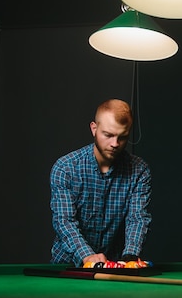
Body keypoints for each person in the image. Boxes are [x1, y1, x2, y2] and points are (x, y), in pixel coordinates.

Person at [49, 98, 152, 267]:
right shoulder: (65, 168)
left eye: (122, 137)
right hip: (67, 267)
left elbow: (137, 218)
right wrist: (87, 256)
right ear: (94, 129)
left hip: (113, 267)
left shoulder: (140, 170)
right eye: (108, 135)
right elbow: (64, 221)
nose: (115, 144)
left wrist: (130, 256)